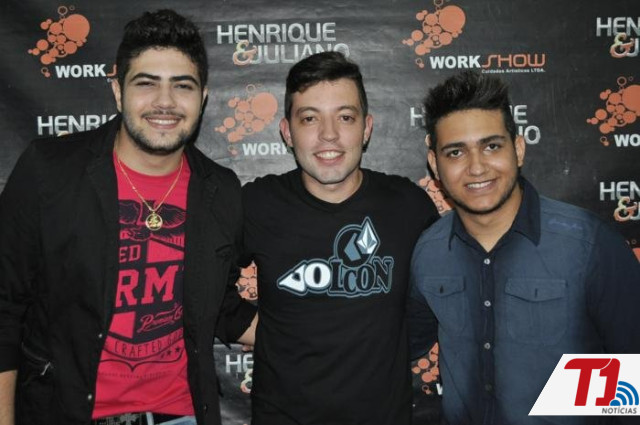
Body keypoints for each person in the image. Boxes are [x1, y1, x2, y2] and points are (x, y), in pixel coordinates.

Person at [0, 9, 257, 425]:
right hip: (66, 412)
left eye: (182, 86)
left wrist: (321, 333)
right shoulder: (50, 171)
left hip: (180, 416)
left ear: (203, 96)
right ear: (118, 91)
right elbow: (4, 308)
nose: (165, 102)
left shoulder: (221, 189)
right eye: (146, 83)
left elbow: (218, 305)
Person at [408, 70, 640, 425]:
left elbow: (633, 370)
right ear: (434, 164)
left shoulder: (587, 245)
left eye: (491, 146)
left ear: (518, 149)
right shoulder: (429, 251)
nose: (476, 167)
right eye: (455, 152)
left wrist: (553, 399)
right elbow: (398, 347)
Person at [240, 51, 439, 425]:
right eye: (310, 118)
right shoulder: (257, 204)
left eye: (345, 117)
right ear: (287, 131)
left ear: (367, 128)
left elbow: (446, 294)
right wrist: (262, 332)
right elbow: (201, 284)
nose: (328, 134)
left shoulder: (407, 205)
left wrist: (393, 342)